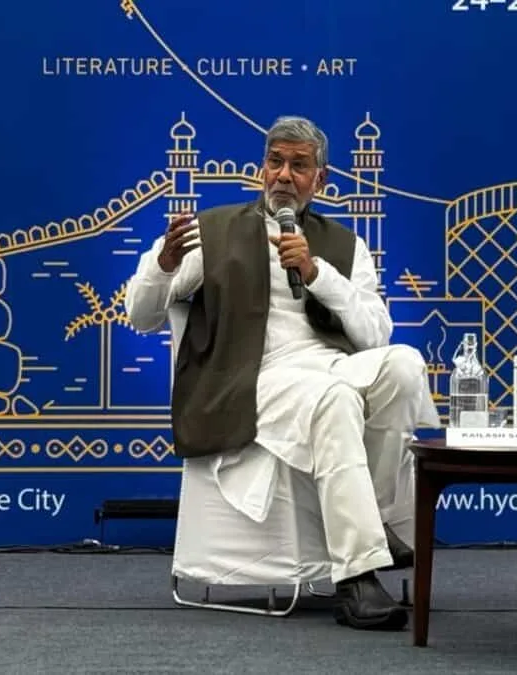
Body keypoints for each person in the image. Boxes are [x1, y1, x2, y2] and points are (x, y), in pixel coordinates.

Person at [124, 116, 440, 631]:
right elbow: (141, 316)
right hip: (251, 378)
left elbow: (376, 335)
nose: (284, 175)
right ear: (262, 169)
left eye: (299, 165)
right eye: (275, 162)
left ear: (321, 179)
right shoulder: (214, 231)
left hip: (329, 366)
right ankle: (357, 577)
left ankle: (374, 520)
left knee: (403, 365)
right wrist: (162, 264)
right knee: (335, 398)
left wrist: (317, 273)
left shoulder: (345, 245)